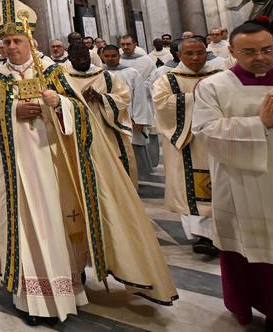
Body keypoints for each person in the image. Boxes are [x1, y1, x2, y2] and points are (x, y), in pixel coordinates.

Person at [0, 0, 176, 325]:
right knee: (29, 230)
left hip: (55, 167)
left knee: (57, 226)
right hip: (18, 175)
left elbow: (81, 112)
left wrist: (59, 104)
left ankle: (65, 291)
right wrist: (13, 112)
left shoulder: (54, 71)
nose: (11, 47)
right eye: (6, 42)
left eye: (17, 41)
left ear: (31, 42)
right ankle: (31, 298)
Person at [192, 21, 273, 332]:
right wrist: (257, 125)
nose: (261, 57)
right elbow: (205, 131)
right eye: (249, 52)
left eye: (267, 50)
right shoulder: (214, 87)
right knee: (252, 250)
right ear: (232, 51)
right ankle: (267, 310)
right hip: (241, 185)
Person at [151, 36, 222, 256]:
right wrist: (196, 97)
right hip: (186, 142)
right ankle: (202, 236)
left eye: (199, 52)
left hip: (217, 140)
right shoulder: (167, 79)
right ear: (178, 55)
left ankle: (222, 232)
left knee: (221, 186)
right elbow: (162, 105)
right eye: (189, 54)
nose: (195, 57)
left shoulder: (220, 75)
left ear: (206, 52)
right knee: (189, 187)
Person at [62, 42, 137, 185]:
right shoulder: (63, 78)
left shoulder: (106, 76)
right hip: (77, 132)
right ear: (70, 59)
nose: (83, 61)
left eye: (85, 58)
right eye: (77, 59)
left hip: (107, 129)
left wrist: (101, 98)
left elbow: (124, 98)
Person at [101, 44, 154, 180]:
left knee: (132, 151)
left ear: (119, 57)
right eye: (107, 56)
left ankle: (136, 179)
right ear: (102, 57)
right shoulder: (99, 73)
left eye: (113, 56)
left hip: (130, 118)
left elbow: (140, 97)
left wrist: (140, 120)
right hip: (107, 121)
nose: (110, 59)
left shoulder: (131, 73)